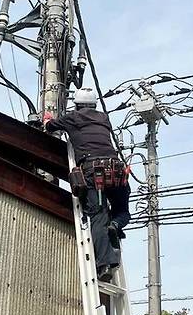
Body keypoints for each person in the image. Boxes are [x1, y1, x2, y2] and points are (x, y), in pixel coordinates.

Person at [44, 88, 131, 281]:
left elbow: (50, 127)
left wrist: (48, 119)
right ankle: (116, 224)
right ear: (94, 104)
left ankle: (105, 265)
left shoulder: (72, 118)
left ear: (77, 104)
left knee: (98, 215)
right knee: (122, 208)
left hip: (93, 170)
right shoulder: (103, 118)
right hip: (115, 169)